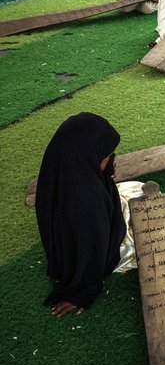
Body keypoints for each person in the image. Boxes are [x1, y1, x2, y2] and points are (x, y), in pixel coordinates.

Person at [36, 113, 142, 317]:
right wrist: (83, 289)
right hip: (90, 243)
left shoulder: (59, 167)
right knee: (137, 198)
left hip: (66, 239)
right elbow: (92, 246)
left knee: (134, 190)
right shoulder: (88, 198)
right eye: (107, 156)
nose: (111, 162)